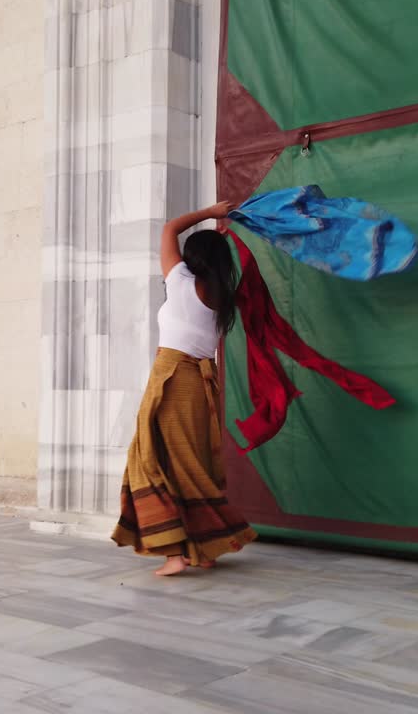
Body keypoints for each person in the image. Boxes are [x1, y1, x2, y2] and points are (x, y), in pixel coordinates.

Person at [110, 202, 258, 576]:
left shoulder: (179, 280)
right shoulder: (223, 296)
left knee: (150, 458)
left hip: (172, 376)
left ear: (192, 258)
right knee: (193, 463)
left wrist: (212, 211)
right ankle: (204, 549)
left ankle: (175, 553)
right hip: (203, 381)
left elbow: (169, 228)